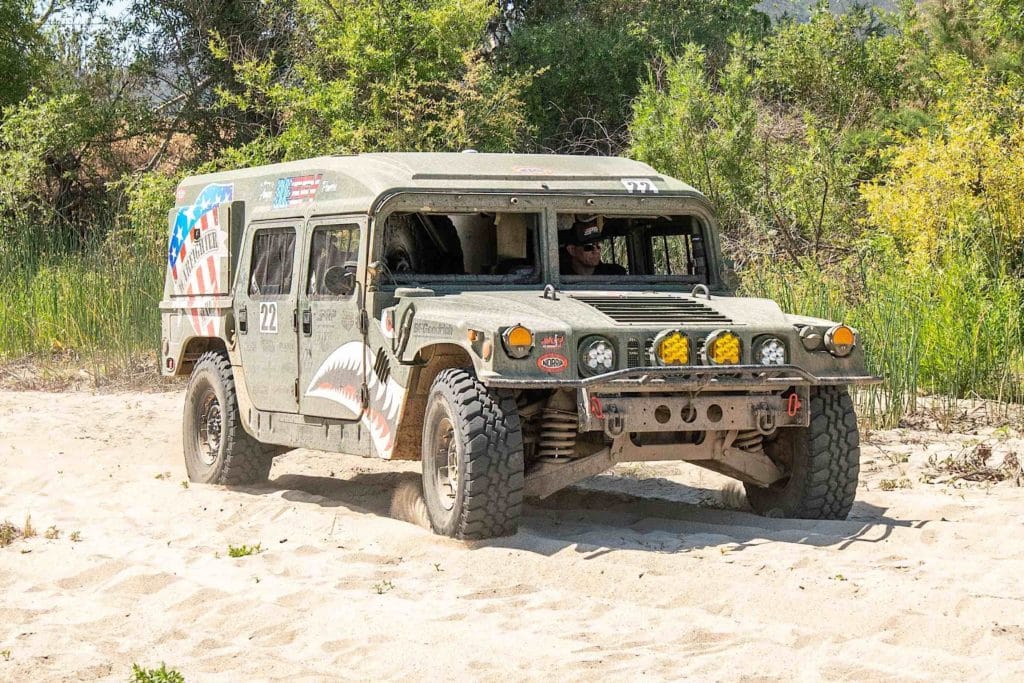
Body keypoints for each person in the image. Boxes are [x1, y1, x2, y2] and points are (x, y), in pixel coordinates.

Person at [560, 217, 627, 276]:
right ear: (572, 250)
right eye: (589, 247)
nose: (596, 251)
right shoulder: (559, 276)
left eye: (598, 245)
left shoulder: (616, 274)